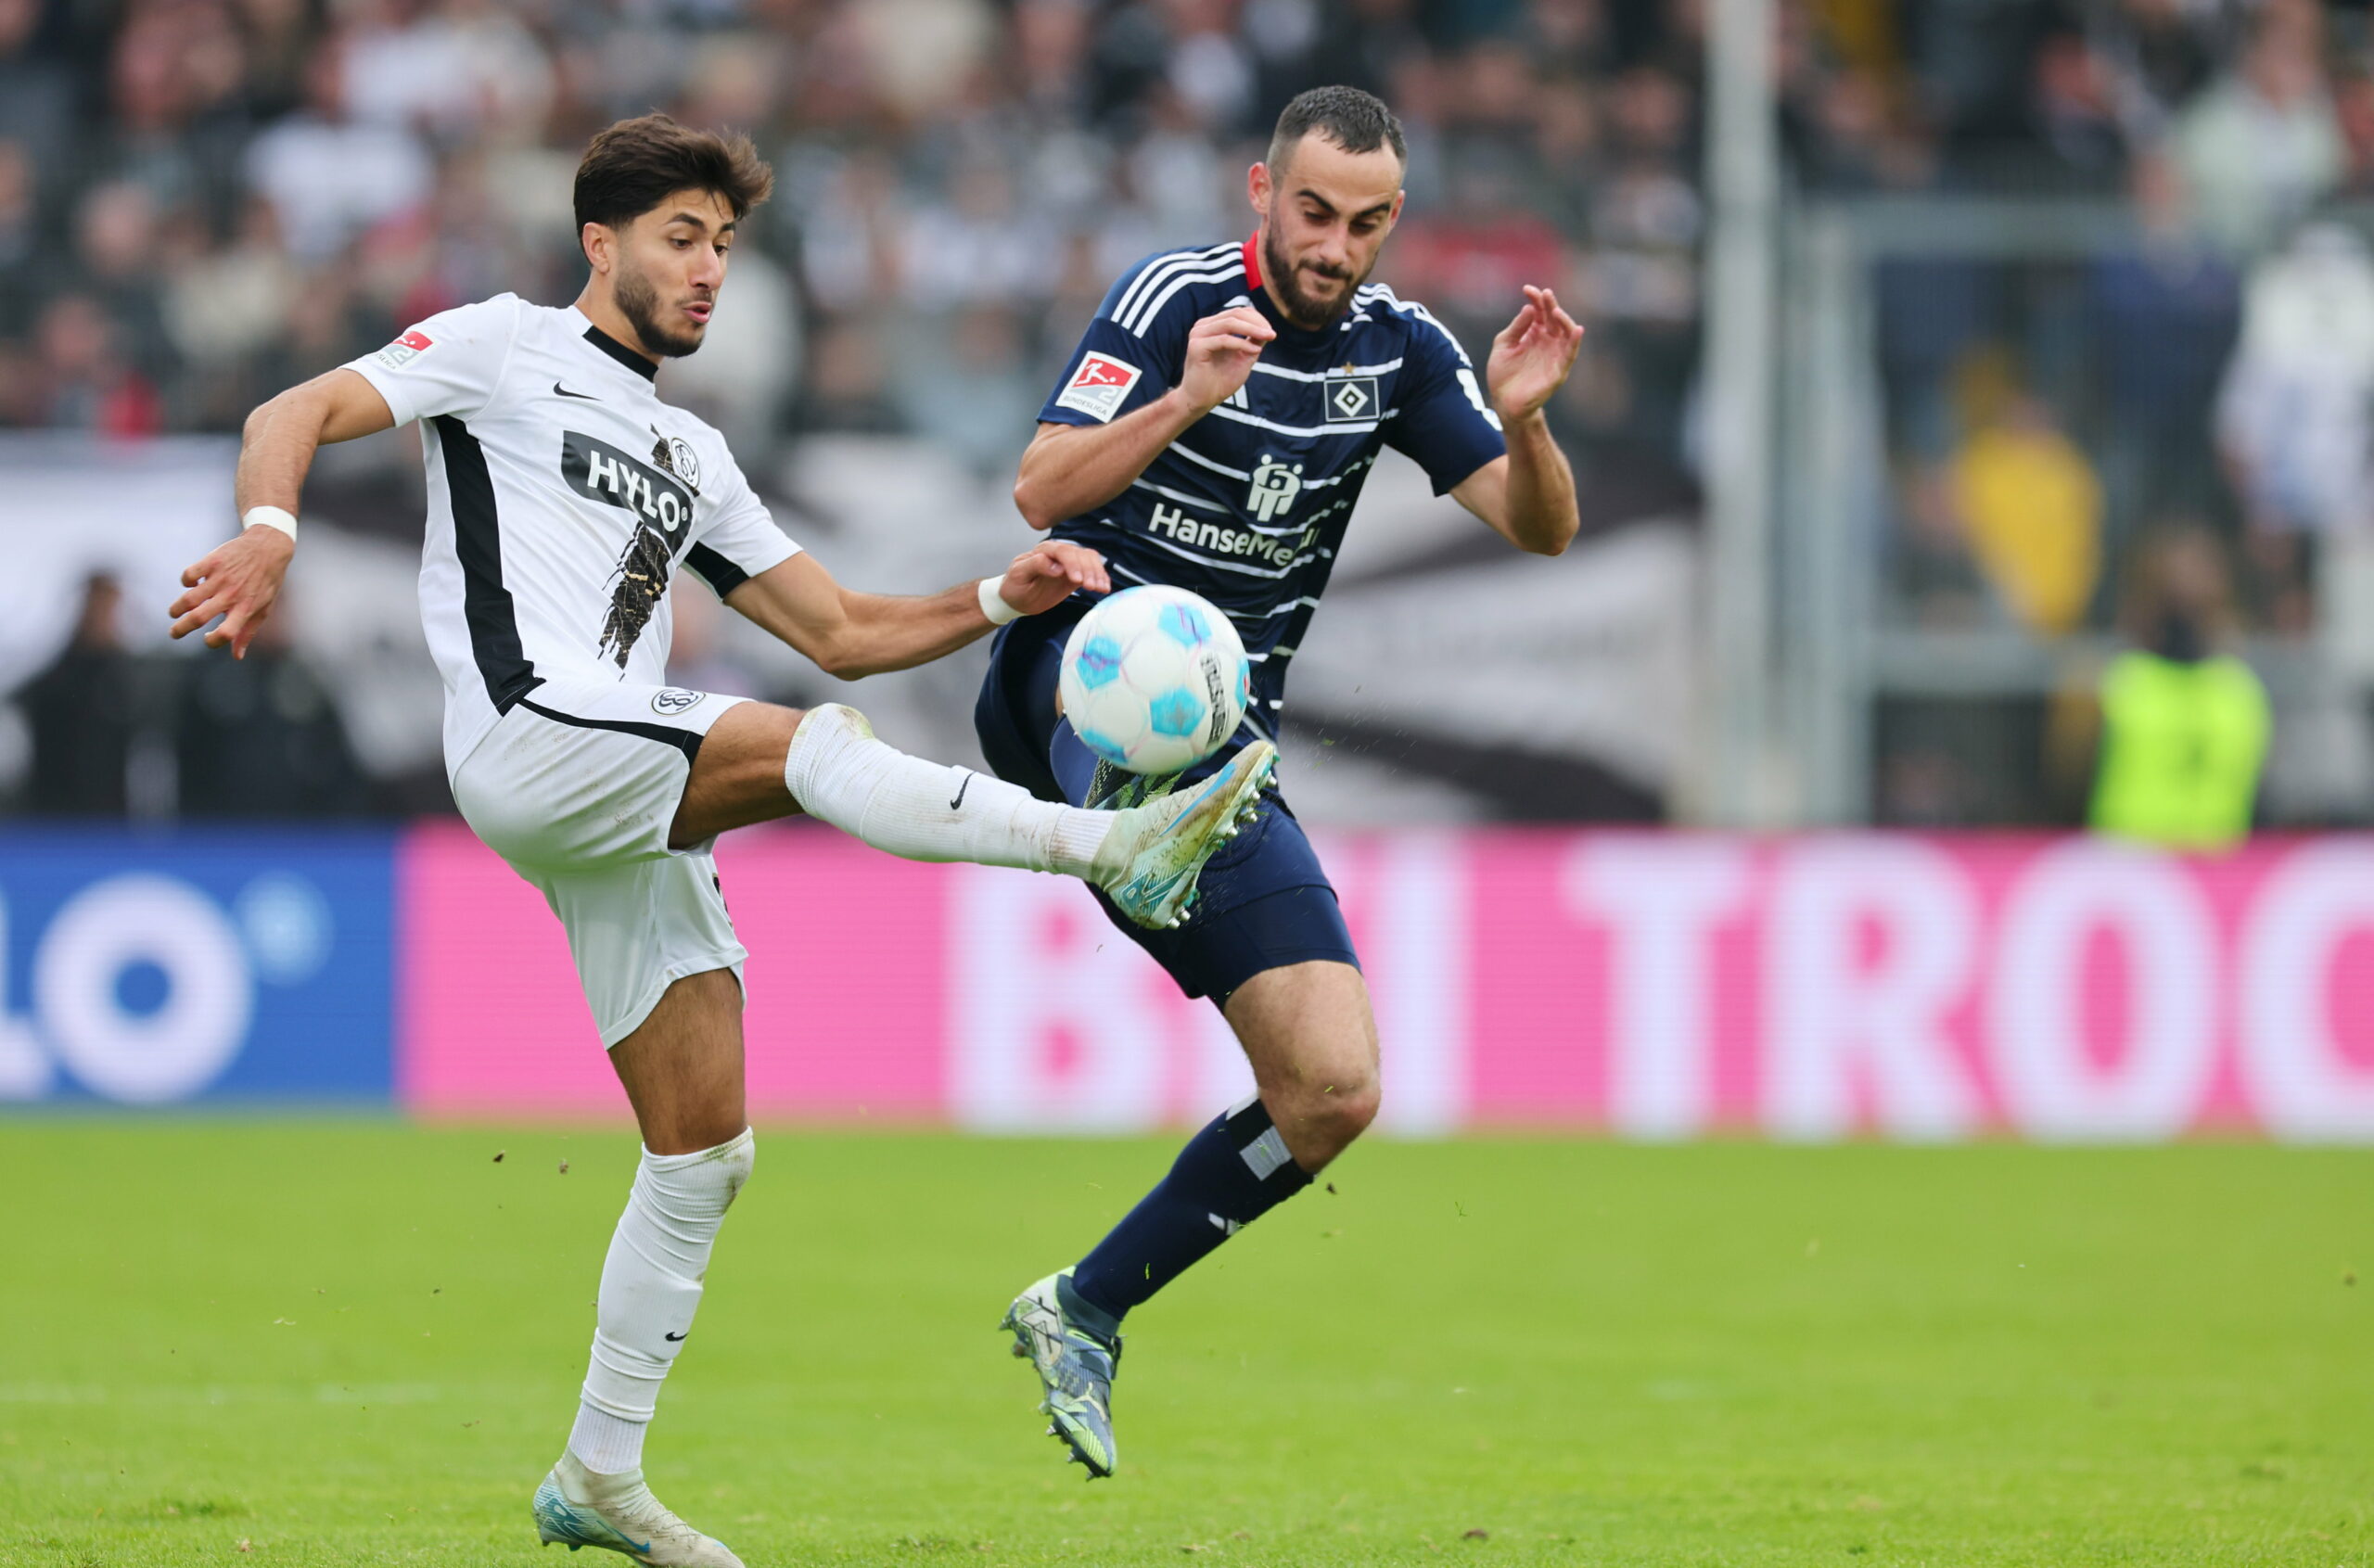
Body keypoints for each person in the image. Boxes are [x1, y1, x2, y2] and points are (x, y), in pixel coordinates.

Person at [166, 114, 1272, 1568]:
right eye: (682, 240)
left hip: (608, 794)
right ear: (603, 243)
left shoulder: (691, 448)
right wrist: (269, 532)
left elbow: (846, 631)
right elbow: (290, 413)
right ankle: (1106, 849)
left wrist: (1001, 595)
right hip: (532, 731)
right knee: (800, 745)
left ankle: (597, 1476)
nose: (707, 272)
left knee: (704, 1153)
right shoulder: (500, 345)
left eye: (725, 249)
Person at [974, 85, 1583, 1479]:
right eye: (1314, 213)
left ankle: (1083, 1307)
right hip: (1073, 667)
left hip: (1223, 746)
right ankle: (1138, 823)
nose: (1335, 244)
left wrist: (1530, 423)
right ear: (1262, 193)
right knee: (1153, 676)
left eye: (1367, 223)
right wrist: (1191, 395)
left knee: (1334, 1090)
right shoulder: (1170, 297)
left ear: (1394, 223)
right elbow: (1040, 489)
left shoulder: (1404, 351)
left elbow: (1539, 532)